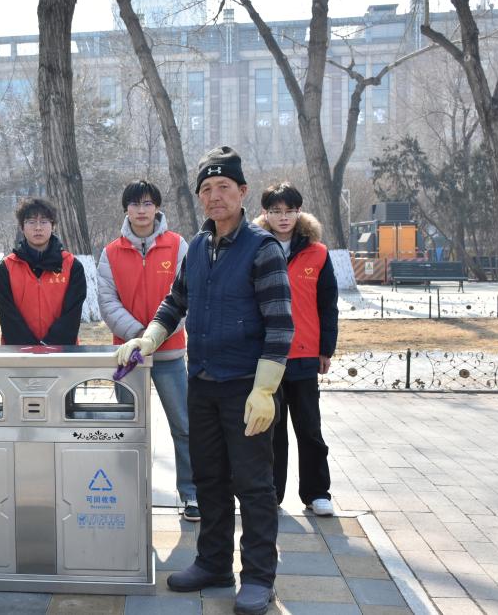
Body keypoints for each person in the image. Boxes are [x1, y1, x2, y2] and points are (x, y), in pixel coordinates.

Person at [116, 147, 293, 615]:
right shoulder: (196, 247)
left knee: (253, 485)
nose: (215, 197)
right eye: (207, 189)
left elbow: (280, 326)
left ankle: (258, 578)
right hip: (203, 383)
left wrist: (265, 389)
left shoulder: (263, 249)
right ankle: (213, 563)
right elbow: (175, 303)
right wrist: (148, 339)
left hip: (246, 387)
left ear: (242, 192)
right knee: (209, 478)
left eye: (224, 187)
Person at [98, 180, 198, 521]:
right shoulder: (111, 252)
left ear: (157, 207)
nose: (141, 210)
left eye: (147, 203)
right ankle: (130, 493)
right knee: (128, 428)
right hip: (128, 358)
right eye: (134, 204)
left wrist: (156, 336)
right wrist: (140, 336)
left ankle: (191, 493)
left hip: (170, 355)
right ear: (125, 209)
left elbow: (187, 298)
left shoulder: (178, 245)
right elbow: (107, 302)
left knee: (184, 426)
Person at [254, 183, 338, 517]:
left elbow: (327, 305)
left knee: (309, 429)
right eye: (275, 211)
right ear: (265, 214)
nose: (283, 217)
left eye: (289, 210)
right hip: (267, 356)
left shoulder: (318, 253)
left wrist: (325, 349)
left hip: (304, 354)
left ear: (299, 212)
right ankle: (270, 494)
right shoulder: (255, 248)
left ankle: (317, 493)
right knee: (270, 430)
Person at [0, 197, 85, 345]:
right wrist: (30, 349)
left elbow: (72, 315)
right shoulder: (6, 268)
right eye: (31, 222)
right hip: (19, 352)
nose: (38, 228)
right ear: (22, 227)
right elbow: (7, 316)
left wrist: (48, 346)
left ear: (53, 226)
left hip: (62, 351)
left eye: (44, 222)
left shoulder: (72, 266)